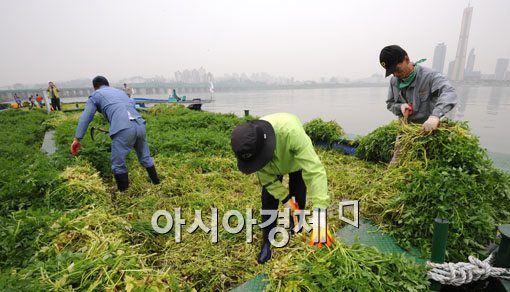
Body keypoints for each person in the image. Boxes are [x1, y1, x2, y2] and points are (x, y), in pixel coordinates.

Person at [231, 113, 333, 264]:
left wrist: (319, 214)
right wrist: (285, 199)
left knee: (298, 193)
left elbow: (315, 172)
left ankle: (295, 228)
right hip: (270, 169)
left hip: (294, 162)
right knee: (268, 200)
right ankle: (267, 241)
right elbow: (268, 181)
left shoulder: (291, 133)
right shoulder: (249, 146)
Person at [71, 76, 160, 192]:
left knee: (118, 164)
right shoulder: (120, 92)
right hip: (139, 125)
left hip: (123, 128)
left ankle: (124, 194)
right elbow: (131, 103)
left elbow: (86, 117)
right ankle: (157, 184)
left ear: (94, 87)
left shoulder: (96, 95)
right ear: (107, 84)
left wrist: (77, 138)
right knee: (145, 157)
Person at [380, 45, 458, 162]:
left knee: (424, 164)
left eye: (397, 70)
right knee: (396, 164)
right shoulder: (394, 81)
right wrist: (400, 107)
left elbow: (449, 93)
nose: (395, 74)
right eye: (392, 72)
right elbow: (390, 104)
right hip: (404, 131)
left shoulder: (430, 76)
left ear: (406, 59)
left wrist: (435, 116)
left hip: (428, 131)